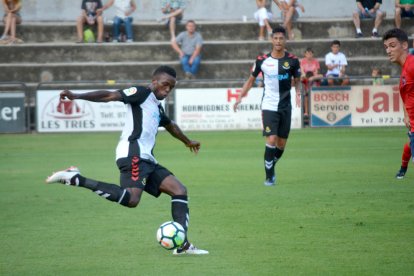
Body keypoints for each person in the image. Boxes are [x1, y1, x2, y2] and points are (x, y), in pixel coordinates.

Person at [45, 65, 208, 255]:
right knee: (132, 199)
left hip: (147, 159)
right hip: (133, 155)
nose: (167, 90)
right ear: (154, 81)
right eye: (165, 85)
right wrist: (76, 96)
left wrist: (187, 141)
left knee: (179, 190)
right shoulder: (141, 92)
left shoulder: (156, 104)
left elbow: (170, 125)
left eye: (171, 87)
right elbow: (110, 95)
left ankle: (182, 245)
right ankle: (76, 178)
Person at [233, 26, 301, 186]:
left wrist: (299, 94)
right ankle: (269, 176)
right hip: (269, 105)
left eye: (281, 38)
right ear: (272, 40)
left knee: (281, 144)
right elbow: (250, 81)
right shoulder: (262, 60)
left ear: (285, 40)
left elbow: (298, 82)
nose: (278, 41)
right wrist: (239, 97)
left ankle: (270, 162)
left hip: (285, 106)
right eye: (275, 38)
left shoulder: (293, 60)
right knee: (271, 138)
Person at [383, 28, 414, 175]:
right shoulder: (404, 70)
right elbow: (407, 96)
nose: (388, 50)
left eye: (392, 45)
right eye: (386, 47)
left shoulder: (412, 64)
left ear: (405, 45)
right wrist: (406, 115)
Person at [300, 47, 322, 116]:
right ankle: (306, 112)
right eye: (307, 54)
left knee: (321, 76)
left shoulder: (316, 61)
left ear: (312, 54)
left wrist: (312, 77)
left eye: (310, 54)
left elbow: (316, 72)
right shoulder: (302, 61)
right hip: (305, 80)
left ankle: (316, 111)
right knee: (306, 95)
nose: (309, 55)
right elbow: (302, 72)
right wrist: (306, 77)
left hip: (314, 79)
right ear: (305, 54)